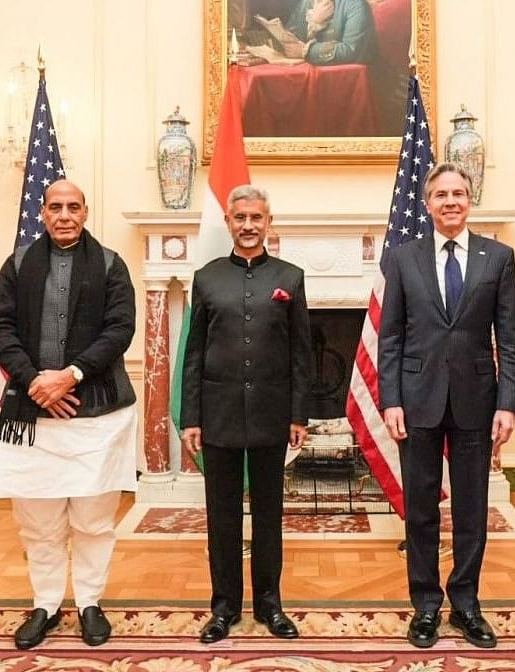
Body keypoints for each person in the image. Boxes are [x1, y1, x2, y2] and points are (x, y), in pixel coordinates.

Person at [0, 179, 138, 650]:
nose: (65, 215)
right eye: (56, 207)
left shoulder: (112, 264)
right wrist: (36, 382)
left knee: (93, 519)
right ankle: (45, 604)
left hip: (98, 414)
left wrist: (69, 376)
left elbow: (120, 329)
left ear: (86, 212)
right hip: (31, 413)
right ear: (44, 213)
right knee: (40, 520)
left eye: (74, 207)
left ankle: (90, 602)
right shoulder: (16, 265)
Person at [378, 163, 515, 650]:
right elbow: (391, 335)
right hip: (416, 401)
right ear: (427, 203)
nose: (450, 201)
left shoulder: (498, 258)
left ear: (470, 200)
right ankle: (424, 604)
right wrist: (390, 398)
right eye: (440, 194)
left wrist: (509, 402)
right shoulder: (403, 258)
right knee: (420, 509)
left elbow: (509, 336)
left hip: (477, 402)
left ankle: (465, 602)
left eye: (459, 193)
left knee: (471, 508)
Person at [180, 185, 313, 644]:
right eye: (241, 218)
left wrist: (299, 415)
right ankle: (223, 608)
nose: (249, 225)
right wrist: (190, 417)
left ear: (269, 221)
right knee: (221, 517)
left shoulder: (290, 278)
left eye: (257, 217)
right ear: (229, 223)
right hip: (216, 416)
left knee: (269, 516)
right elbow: (193, 354)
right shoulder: (207, 277)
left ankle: (271, 605)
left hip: (272, 416)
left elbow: (301, 355)